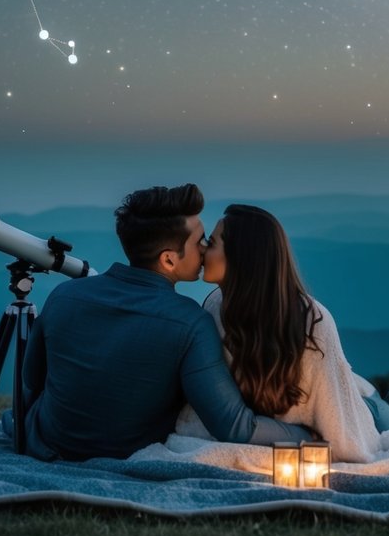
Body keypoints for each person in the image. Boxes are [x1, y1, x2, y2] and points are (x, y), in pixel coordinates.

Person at [20, 184, 314, 461]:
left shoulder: (63, 296)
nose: (204, 249)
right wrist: (309, 434)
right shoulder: (190, 323)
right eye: (200, 241)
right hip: (123, 454)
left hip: (49, 443)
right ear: (169, 260)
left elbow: (31, 382)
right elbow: (235, 426)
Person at [175, 203, 389, 463]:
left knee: (381, 419)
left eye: (211, 242)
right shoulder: (214, 306)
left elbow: (339, 417)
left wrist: (322, 441)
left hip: (348, 405)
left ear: (241, 256)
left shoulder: (312, 320)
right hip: (283, 414)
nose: (203, 250)